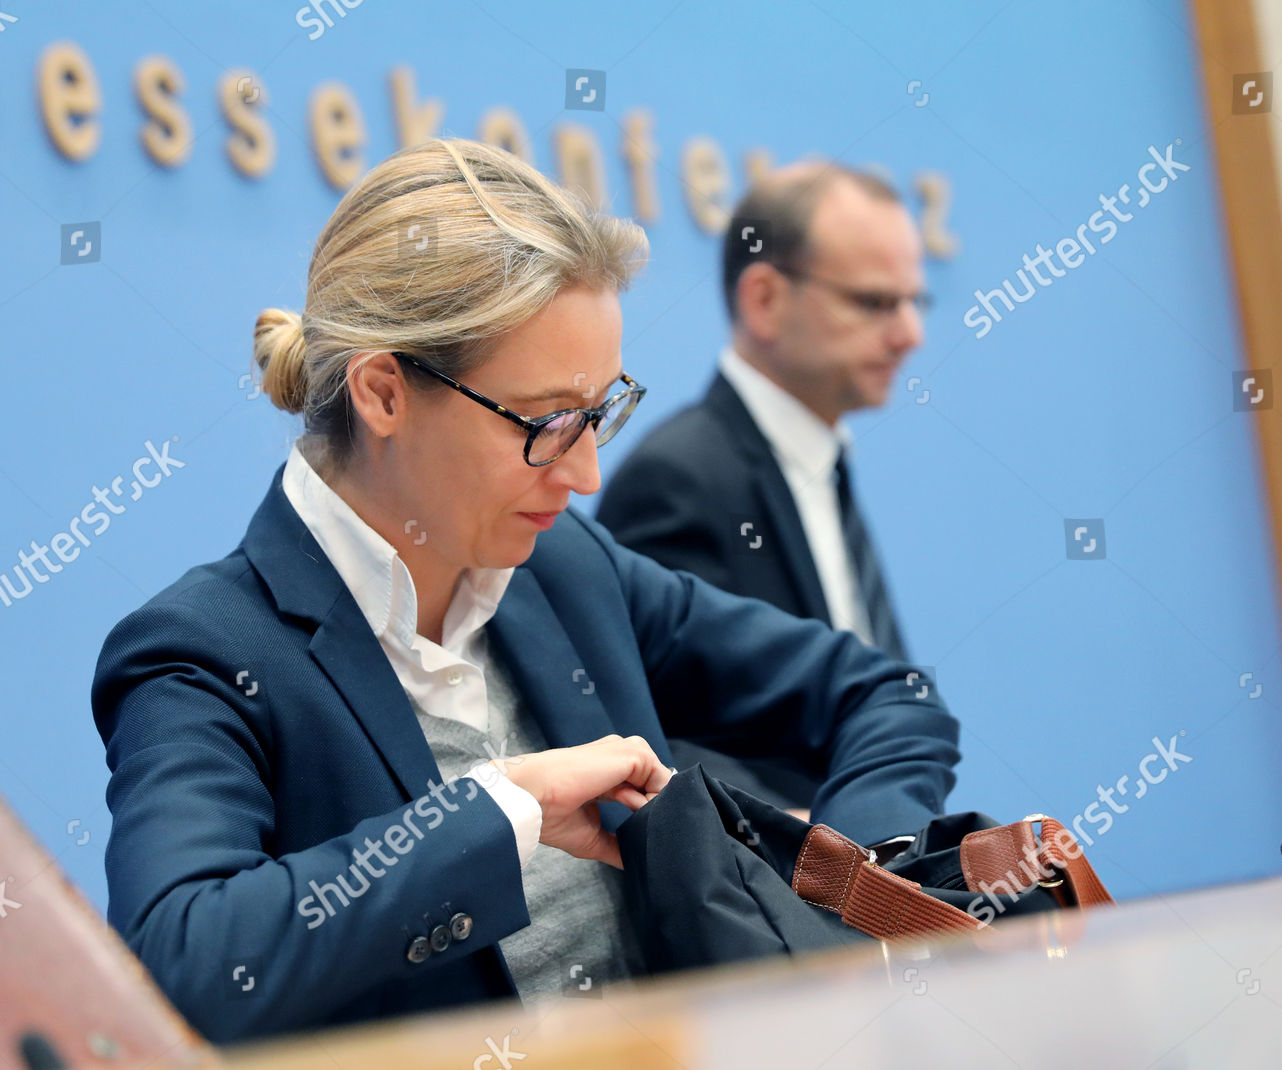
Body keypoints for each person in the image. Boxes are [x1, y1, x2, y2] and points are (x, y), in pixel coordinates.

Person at [90, 138, 960, 1045]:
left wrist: (856, 884)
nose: (586, 473)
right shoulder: (203, 651)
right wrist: (499, 812)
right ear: (384, 393)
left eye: (600, 413)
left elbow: (886, 696)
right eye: (548, 423)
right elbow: (183, 964)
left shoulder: (564, 569)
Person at [595, 162, 931, 805]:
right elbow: (658, 747)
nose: (910, 333)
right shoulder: (679, 478)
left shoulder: (822, 460)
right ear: (764, 300)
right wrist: (820, 850)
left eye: (916, 301)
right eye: (875, 302)